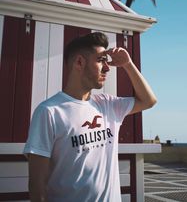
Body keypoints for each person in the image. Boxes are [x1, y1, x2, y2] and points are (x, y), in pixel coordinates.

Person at [24, 32, 157, 202]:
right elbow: (37, 184)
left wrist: (128, 64)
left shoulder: (108, 105)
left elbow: (148, 101)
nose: (107, 68)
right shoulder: (49, 112)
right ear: (79, 62)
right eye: (101, 60)